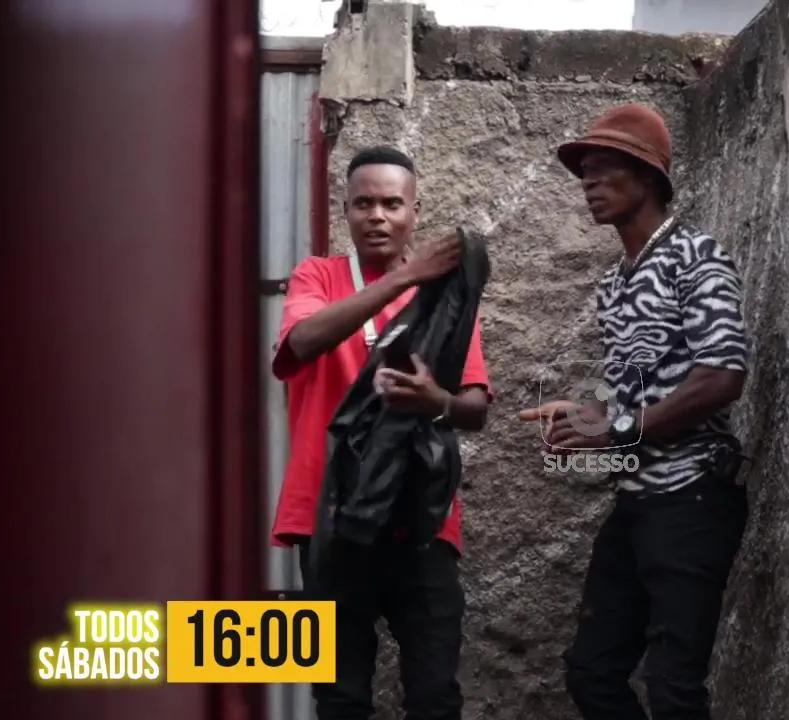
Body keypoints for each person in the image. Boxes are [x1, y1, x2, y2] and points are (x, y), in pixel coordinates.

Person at [520, 104, 751, 719]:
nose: (589, 183)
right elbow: (638, 398)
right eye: (584, 173)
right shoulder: (614, 284)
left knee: (674, 688)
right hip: (637, 500)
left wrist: (616, 428)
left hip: (693, 497)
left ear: (648, 177)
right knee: (592, 674)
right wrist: (587, 418)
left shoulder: (696, 257)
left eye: (604, 169)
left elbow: (723, 375)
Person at [271, 145, 493, 720]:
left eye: (392, 204)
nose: (377, 216)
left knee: (435, 695)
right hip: (328, 515)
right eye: (363, 203)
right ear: (345, 210)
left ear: (415, 212)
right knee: (339, 697)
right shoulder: (317, 275)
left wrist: (435, 400)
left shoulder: (444, 296)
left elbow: (474, 407)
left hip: (421, 519)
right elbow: (302, 342)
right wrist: (407, 278)